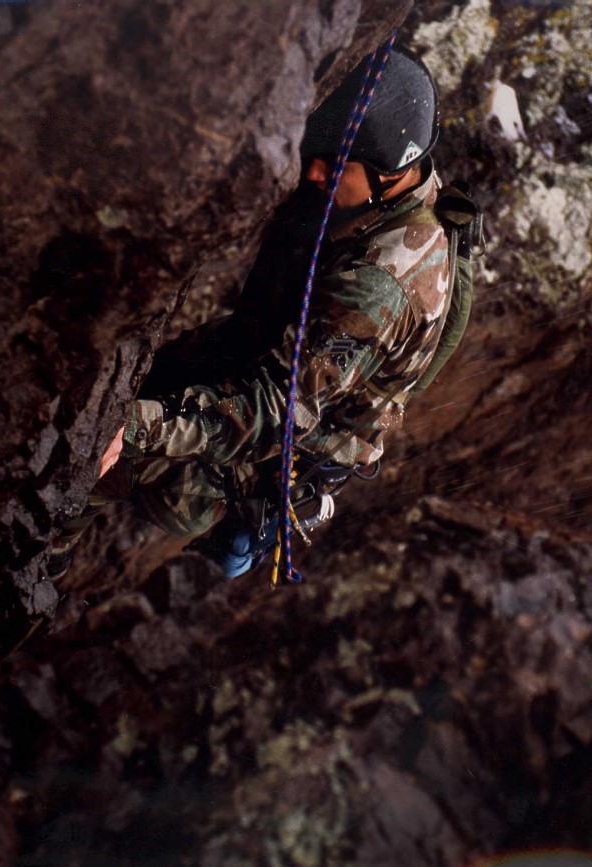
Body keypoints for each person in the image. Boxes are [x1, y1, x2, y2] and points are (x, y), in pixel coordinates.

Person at [47, 46, 451, 581]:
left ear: (390, 171)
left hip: (263, 444)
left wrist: (129, 428)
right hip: (252, 361)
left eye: (334, 164)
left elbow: (274, 414)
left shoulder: (380, 287)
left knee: (73, 475)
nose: (311, 171)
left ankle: (19, 594)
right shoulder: (393, 195)